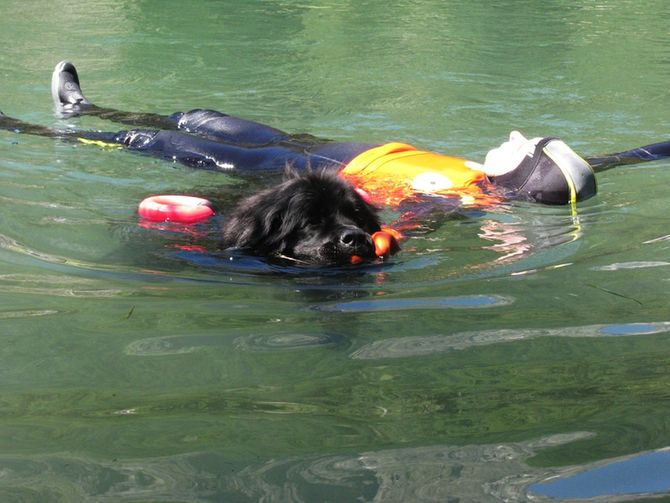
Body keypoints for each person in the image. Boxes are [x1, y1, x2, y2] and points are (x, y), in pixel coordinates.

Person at [44, 61, 598, 208]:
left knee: (170, 146)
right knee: (199, 117)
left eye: (525, 145)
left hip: (308, 170)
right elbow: (621, 159)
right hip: (319, 145)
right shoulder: (492, 179)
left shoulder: (462, 198)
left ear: (524, 174)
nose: (515, 133)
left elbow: (396, 217)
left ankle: (38, 130)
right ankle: (88, 108)